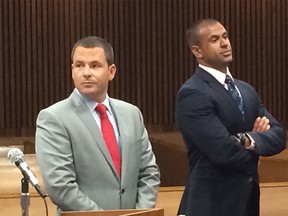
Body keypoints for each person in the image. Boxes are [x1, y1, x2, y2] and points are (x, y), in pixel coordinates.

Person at [35, 36, 160, 215]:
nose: (86, 72)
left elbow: (149, 172)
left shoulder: (131, 114)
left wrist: (139, 213)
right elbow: (60, 186)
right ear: (72, 70)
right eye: (79, 65)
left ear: (111, 71)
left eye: (95, 65)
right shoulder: (54, 118)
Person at [175, 19, 286, 216]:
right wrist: (257, 149)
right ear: (197, 51)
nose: (225, 43)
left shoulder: (246, 90)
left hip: (248, 205)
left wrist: (247, 140)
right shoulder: (193, 93)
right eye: (215, 39)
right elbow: (224, 153)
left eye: (225, 36)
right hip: (210, 205)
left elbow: (279, 136)